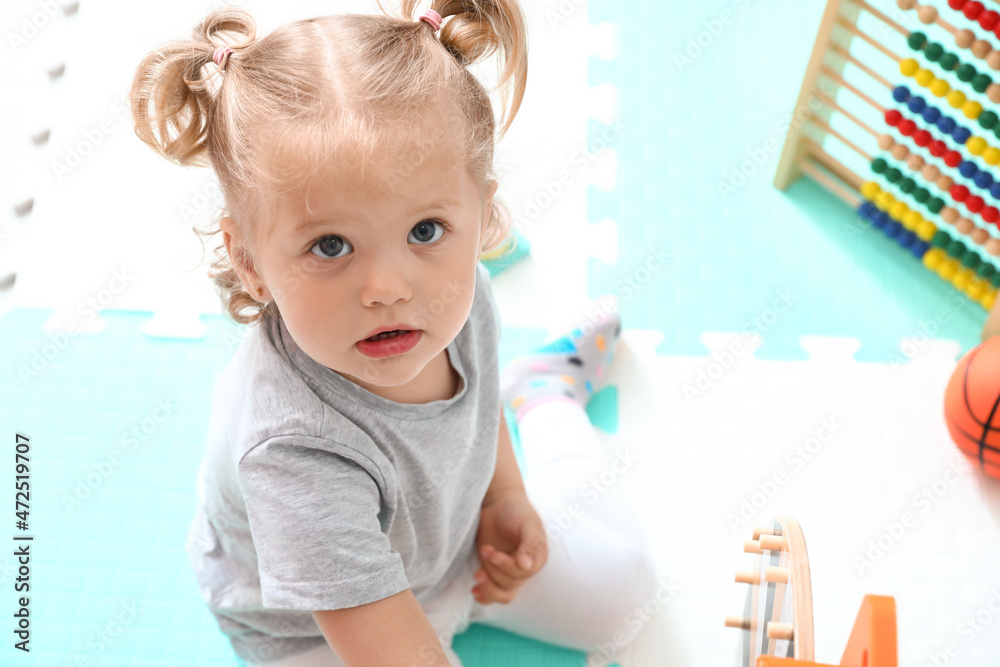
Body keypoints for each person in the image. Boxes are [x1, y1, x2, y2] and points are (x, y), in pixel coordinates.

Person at [129, 2, 658, 665]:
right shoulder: (290, 450)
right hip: (315, 627)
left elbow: (475, 400)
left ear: (481, 213)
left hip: (451, 545)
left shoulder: (457, 300)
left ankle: (547, 393)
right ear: (249, 261)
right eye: (330, 245)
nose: (388, 287)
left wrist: (505, 494)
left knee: (627, 596)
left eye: (425, 231)